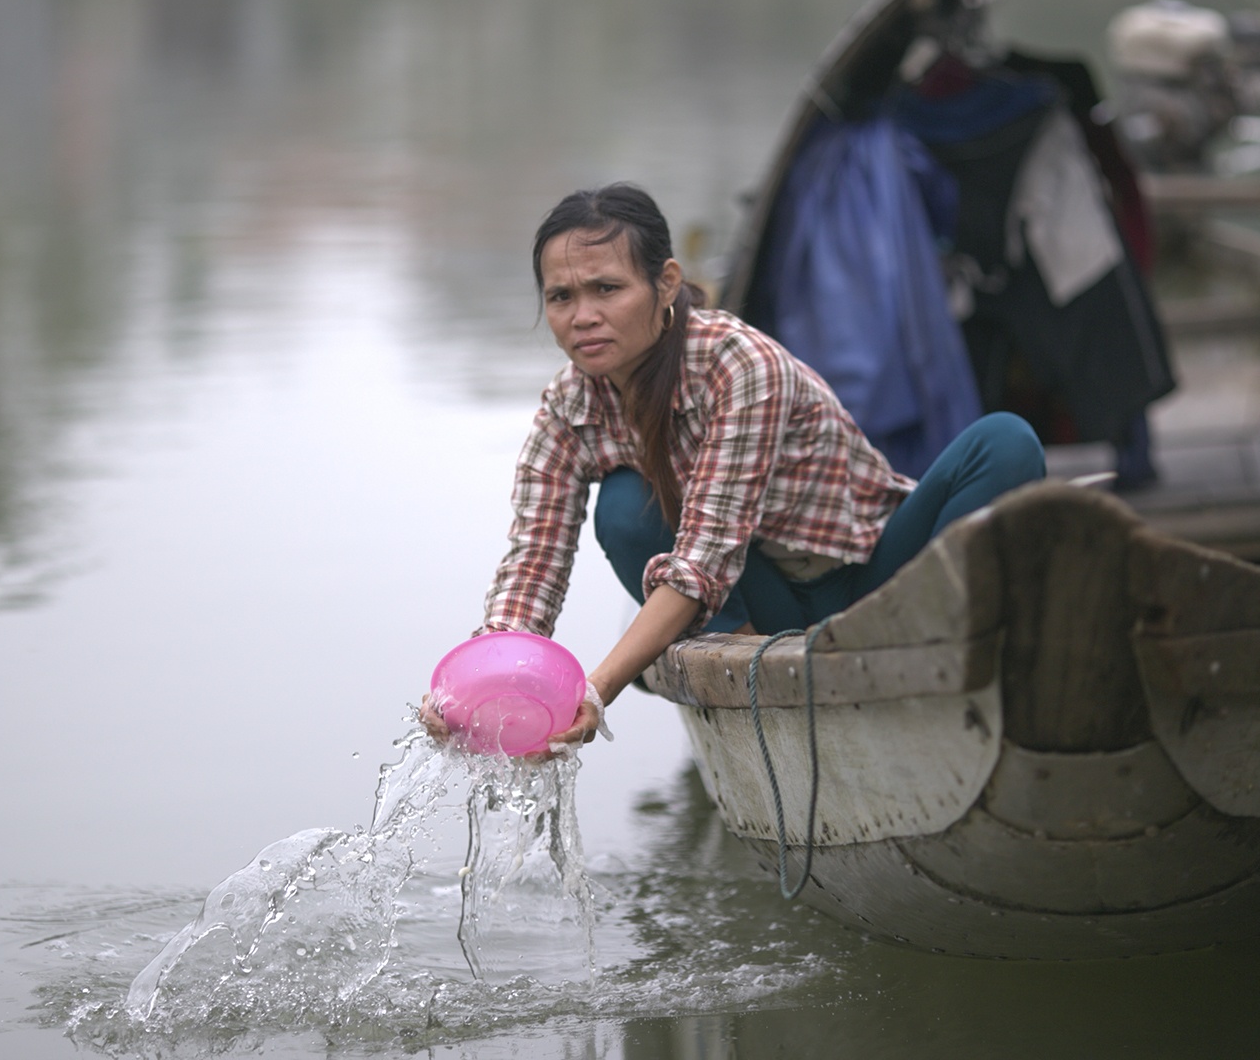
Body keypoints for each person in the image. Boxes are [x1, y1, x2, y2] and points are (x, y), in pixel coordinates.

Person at [426, 184, 1044, 751]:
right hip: (760, 610)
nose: (582, 315)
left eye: (607, 289)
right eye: (561, 297)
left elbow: (705, 556)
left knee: (1005, 440)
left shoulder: (738, 365)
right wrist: (479, 680)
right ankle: (754, 673)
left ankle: (938, 648)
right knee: (623, 504)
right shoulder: (568, 406)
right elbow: (534, 561)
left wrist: (595, 690)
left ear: (667, 283)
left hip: (877, 576)